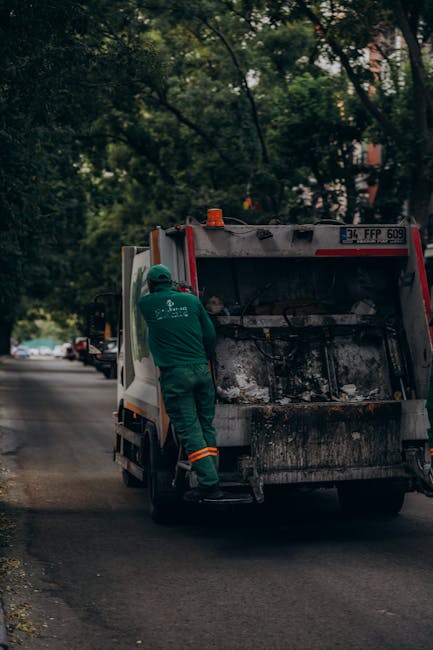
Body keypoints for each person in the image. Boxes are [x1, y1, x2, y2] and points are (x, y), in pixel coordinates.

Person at [138, 263, 227, 503]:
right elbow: (209, 334)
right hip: (201, 369)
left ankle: (209, 484)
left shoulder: (145, 304)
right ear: (171, 281)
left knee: (189, 430)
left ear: (151, 284)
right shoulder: (193, 302)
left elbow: (152, 302)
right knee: (205, 425)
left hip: (176, 374)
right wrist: (204, 358)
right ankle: (211, 474)